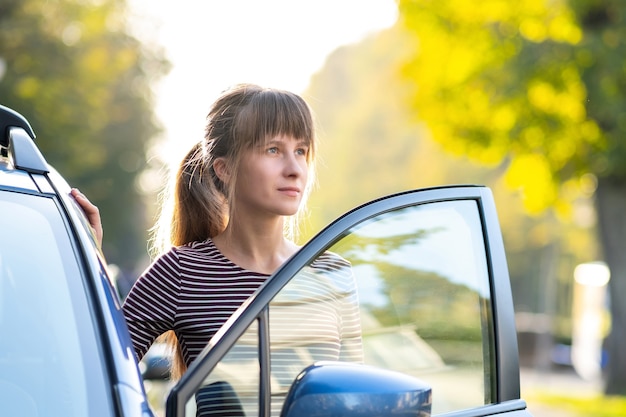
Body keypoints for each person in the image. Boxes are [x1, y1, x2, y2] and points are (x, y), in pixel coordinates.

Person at [72, 84, 362, 413]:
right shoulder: (179, 272)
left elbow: (358, 400)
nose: (294, 169)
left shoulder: (331, 272)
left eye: (301, 150)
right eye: (273, 150)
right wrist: (89, 262)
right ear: (224, 167)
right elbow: (96, 375)